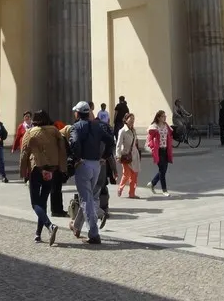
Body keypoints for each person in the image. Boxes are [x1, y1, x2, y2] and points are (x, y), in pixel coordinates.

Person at [68, 100, 114, 245]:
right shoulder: (98, 125)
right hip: (96, 165)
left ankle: (94, 233)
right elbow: (110, 140)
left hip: (84, 164)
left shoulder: (76, 127)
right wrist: (105, 156)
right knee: (87, 198)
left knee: (86, 199)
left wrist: (76, 158)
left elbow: (74, 143)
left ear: (77, 113)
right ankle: (76, 226)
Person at [19, 110, 65, 244]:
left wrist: (23, 172)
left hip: (36, 169)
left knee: (35, 203)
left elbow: (24, 154)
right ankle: (38, 234)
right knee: (43, 200)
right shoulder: (55, 131)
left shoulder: (30, 132)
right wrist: (62, 168)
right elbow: (62, 150)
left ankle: (50, 226)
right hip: (51, 169)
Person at [116, 113, 144, 197]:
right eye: (130, 118)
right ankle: (120, 188)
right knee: (126, 173)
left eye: (133, 118)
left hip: (134, 155)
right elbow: (118, 144)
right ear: (126, 120)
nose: (132, 120)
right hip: (125, 155)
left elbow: (135, 142)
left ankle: (132, 193)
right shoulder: (122, 131)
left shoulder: (133, 130)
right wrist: (118, 156)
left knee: (134, 174)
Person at [147, 110, 174, 196]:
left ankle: (152, 183)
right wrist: (152, 147)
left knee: (163, 170)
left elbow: (170, 134)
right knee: (162, 170)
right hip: (158, 151)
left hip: (166, 150)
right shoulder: (154, 127)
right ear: (158, 117)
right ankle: (164, 190)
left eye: (165, 115)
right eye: (163, 116)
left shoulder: (166, 125)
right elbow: (150, 139)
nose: (165, 117)